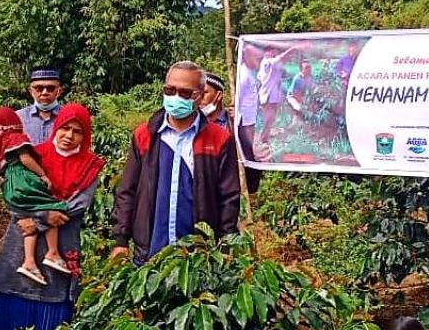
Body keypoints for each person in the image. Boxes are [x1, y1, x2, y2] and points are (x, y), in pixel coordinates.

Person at [0, 103, 104, 330]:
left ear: (85, 136)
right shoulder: (33, 154)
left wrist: (37, 219)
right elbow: (13, 193)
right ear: (56, 127)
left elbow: (75, 206)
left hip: (59, 248)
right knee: (14, 307)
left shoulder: (90, 166)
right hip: (20, 248)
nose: (69, 136)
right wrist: (41, 214)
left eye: (78, 131)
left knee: (52, 312)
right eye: (64, 128)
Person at [111, 61, 241, 265]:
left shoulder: (219, 139)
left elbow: (228, 198)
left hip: (198, 259)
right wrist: (121, 240)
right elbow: (127, 190)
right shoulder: (144, 135)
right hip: (148, 255)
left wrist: (225, 245)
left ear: (199, 96)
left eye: (185, 93)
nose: (175, 97)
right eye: (170, 90)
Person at [0, 107, 69, 285]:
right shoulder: (15, 137)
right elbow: (25, 159)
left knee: (29, 225)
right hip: (23, 182)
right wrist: (42, 175)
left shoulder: (0, 141)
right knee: (51, 206)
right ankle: (53, 252)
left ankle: (29, 262)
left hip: (10, 187)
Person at [235, 46, 264, 194]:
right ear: (246, 56)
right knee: (248, 153)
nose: (259, 61)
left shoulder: (249, 73)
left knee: (251, 152)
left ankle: (251, 189)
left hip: (249, 121)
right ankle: (249, 189)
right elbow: (237, 101)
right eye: (256, 58)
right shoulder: (244, 76)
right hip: (244, 122)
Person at [257, 45, 297, 146]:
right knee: (268, 118)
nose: (275, 53)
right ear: (267, 52)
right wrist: (292, 48)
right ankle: (263, 139)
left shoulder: (274, 64)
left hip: (274, 96)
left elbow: (283, 65)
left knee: (272, 118)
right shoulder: (266, 62)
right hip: (267, 96)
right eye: (272, 51)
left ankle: (266, 138)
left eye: (275, 51)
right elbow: (281, 58)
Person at [18, 67, 64, 145]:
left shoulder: (70, 117)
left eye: (50, 88)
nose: (44, 92)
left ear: (59, 91)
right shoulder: (18, 118)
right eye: (39, 88)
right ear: (31, 91)